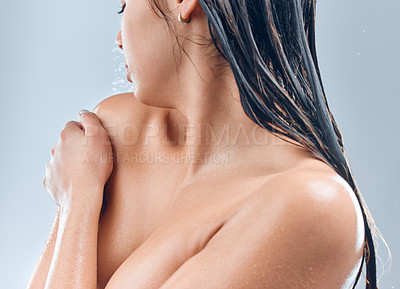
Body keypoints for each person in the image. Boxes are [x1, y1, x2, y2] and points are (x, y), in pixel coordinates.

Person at [27, 0, 381, 288]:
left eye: (124, 6)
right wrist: (79, 199)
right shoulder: (116, 130)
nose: (119, 38)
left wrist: (77, 202)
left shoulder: (309, 204)